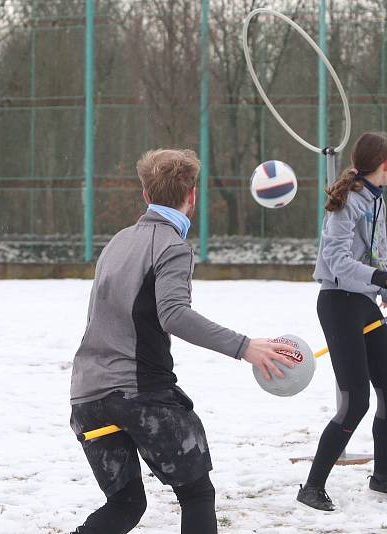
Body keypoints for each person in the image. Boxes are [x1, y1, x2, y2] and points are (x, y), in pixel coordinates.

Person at [69, 148, 295, 534]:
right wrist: (245, 347)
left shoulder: (117, 242)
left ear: (145, 195)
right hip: (137, 394)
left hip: (86, 396)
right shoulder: (172, 247)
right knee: (196, 494)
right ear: (192, 196)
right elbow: (173, 314)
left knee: (126, 504)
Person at [297, 132, 387, 512]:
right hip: (338, 304)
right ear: (386, 163)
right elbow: (336, 262)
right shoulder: (348, 201)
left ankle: (383, 476)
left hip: (364, 303)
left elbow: (374, 261)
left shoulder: (377, 201)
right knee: (355, 402)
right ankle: (312, 487)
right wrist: (385, 281)